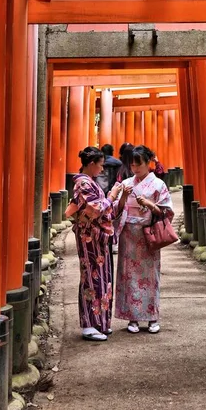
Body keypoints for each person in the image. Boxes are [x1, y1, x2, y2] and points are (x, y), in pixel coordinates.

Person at [66, 146, 131, 341]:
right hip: (89, 238)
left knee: (102, 278)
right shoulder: (83, 184)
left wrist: (122, 197)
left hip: (98, 238)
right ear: (92, 164)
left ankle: (100, 322)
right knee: (91, 278)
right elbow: (97, 210)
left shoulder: (90, 183)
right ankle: (89, 324)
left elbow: (108, 212)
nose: (102, 169)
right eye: (100, 165)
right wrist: (112, 195)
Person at [115, 145, 174, 334]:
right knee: (128, 276)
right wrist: (123, 196)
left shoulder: (158, 185)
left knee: (150, 277)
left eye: (138, 164)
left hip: (147, 234)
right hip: (128, 234)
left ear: (148, 163)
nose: (135, 168)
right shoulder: (126, 183)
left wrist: (149, 204)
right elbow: (116, 209)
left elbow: (166, 211)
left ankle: (152, 317)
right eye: (132, 165)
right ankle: (132, 318)